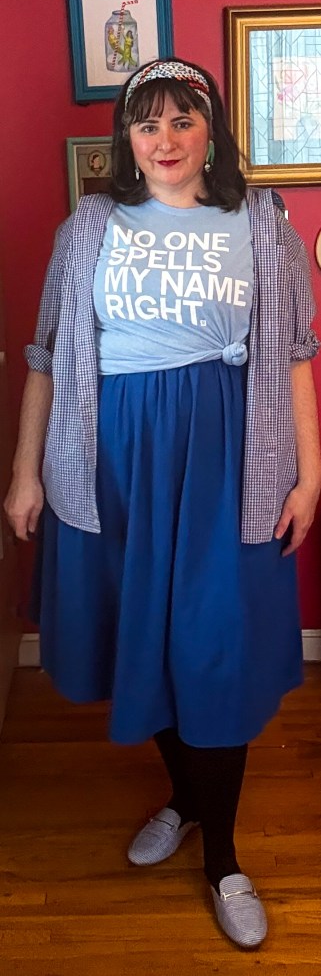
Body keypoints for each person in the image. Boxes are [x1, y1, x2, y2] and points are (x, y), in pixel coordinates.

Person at [4, 57, 321, 950]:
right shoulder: (90, 226)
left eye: (184, 120)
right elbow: (47, 355)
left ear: (210, 132)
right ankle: (184, 800)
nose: (166, 139)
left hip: (227, 460)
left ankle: (222, 856)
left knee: (214, 650)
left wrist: (310, 472)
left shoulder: (258, 221)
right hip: (115, 463)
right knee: (144, 636)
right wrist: (27, 471)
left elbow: (295, 352)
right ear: (127, 141)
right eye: (149, 123)